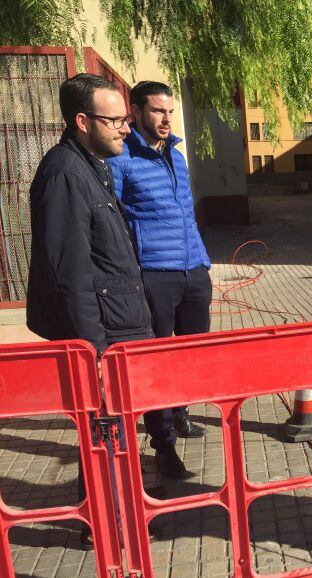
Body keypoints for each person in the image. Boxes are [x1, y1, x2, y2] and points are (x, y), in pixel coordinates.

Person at [26, 73, 161, 547]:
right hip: (103, 337)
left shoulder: (92, 164)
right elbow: (71, 275)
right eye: (116, 120)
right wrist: (94, 352)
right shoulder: (65, 172)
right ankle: (110, 525)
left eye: (126, 118)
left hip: (119, 327)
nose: (127, 128)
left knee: (116, 433)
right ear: (82, 121)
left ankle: (120, 512)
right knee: (106, 436)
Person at [108, 81, 210, 450]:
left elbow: (186, 214)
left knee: (190, 354)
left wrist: (202, 263)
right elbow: (112, 218)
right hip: (153, 274)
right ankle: (162, 440)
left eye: (169, 111)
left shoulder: (177, 157)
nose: (166, 119)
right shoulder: (122, 158)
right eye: (157, 111)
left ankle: (180, 414)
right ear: (135, 112)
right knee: (156, 357)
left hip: (193, 271)